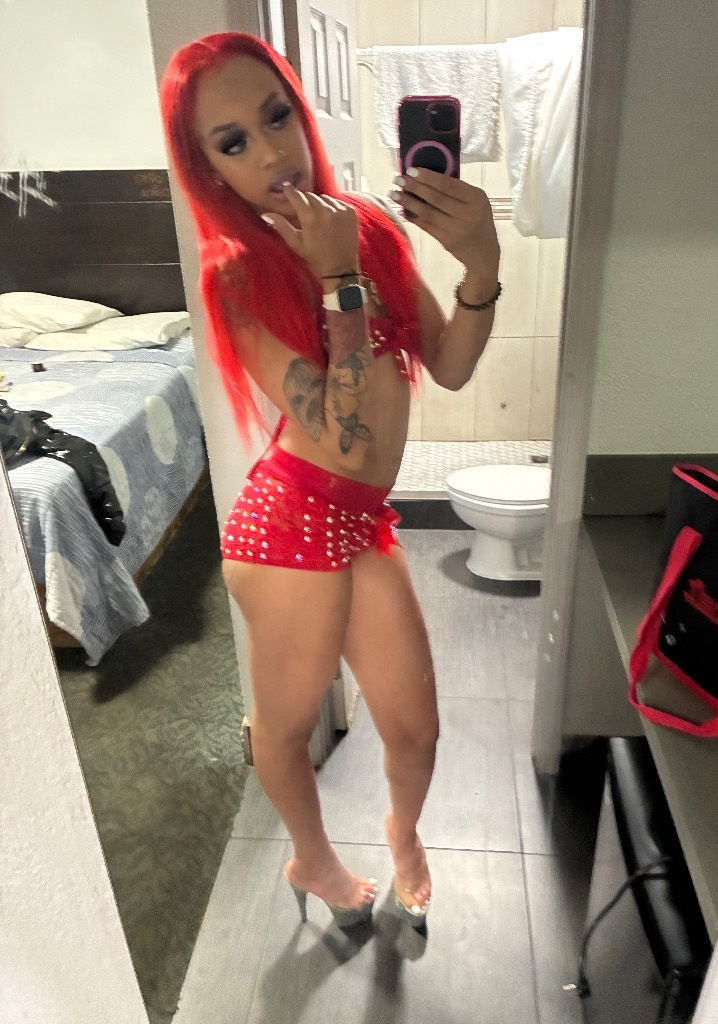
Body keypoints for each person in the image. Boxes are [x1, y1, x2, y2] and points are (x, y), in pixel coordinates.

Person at [160, 31, 501, 929]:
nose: (271, 152)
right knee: (283, 726)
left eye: (277, 117)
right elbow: (345, 446)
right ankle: (311, 860)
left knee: (415, 729)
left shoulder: (370, 227)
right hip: (285, 529)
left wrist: (483, 265)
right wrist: (338, 277)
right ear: (208, 169)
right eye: (233, 142)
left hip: (355, 524)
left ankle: (403, 834)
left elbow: (450, 365)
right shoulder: (236, 275)